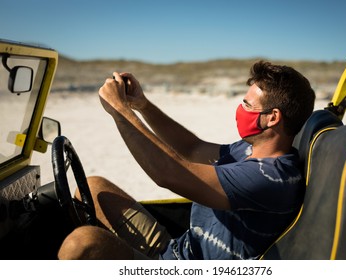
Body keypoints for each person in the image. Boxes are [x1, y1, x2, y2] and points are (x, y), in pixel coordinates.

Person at [58, 60, 316, 260]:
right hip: (177, 251)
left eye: (248, 105)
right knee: (91, 187)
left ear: (272, 118)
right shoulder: (248, 151)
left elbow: (168, 174)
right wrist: (142, 105)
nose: (241, 109)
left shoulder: (270, 177)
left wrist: (120, 112)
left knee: (82, 244)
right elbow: (192, 149)